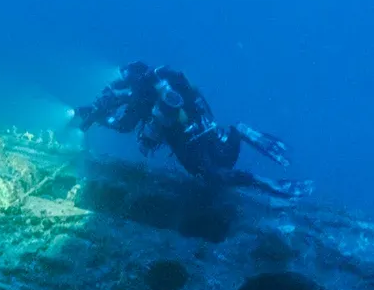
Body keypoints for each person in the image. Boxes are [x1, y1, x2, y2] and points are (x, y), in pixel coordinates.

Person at [72, 62, 312, 199]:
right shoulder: (164, 85)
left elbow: (125, 126)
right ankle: (240, 131)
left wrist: (102, 117)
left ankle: (264, 182)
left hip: (192, 148)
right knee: (223, 161)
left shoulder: (142, 99)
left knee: (214, 177)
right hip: (215, 135)